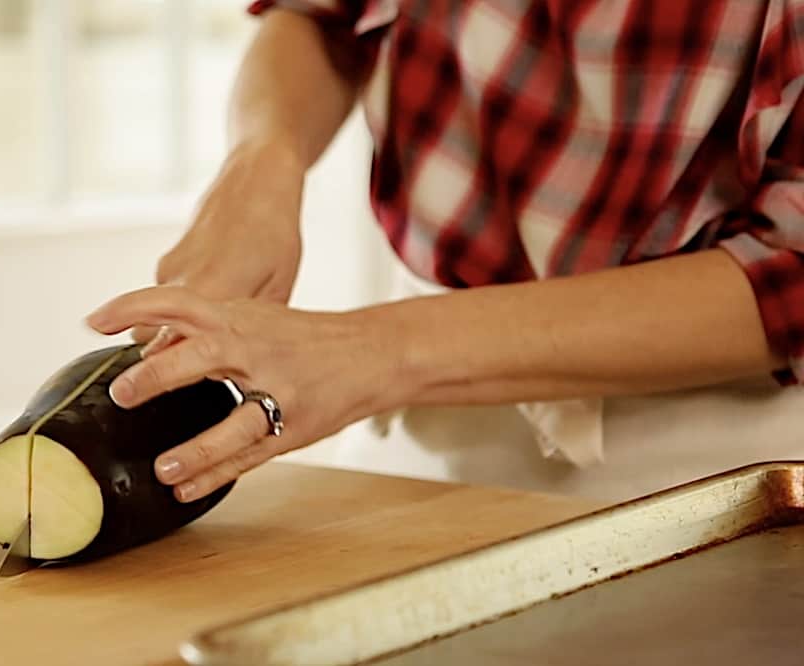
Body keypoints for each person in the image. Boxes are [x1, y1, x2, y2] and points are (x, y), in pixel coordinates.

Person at [86, 0, 804, 503]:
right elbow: (320, 14)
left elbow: (790, 273)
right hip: (427, 427)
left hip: (721, 469)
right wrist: (263, 159)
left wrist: (378, 352)